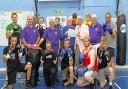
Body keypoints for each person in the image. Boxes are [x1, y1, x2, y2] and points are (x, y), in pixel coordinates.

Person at [1, 13, 23, 89]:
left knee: (19, 62)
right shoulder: (9, 26)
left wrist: (21, 46)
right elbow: (7, 36)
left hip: (18, 47)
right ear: (11, 18)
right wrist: (12, 31)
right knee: (9, 64)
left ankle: (19, 79)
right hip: (11, 48)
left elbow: (21, 38)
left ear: (17, 18)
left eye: (15, 17)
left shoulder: (20, 27)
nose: (14, 18)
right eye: (13, 17)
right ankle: (7, 81)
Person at [21, 15, 40, 86]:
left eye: (31, 19)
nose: (30, 20)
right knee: (28, 66)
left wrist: (36, 43)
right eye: (29, 19)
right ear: (27, 20)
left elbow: (38, 37)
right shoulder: (25, 29)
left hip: (35, 50)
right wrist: (27, 45)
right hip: (28, 51)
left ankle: (35, 79)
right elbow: (23, 39)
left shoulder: (35, 28)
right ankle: (28, 81)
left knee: (35, 66)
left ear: (32, 20)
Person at [35, 16, 46, 84]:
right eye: (40, 21)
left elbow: (45, 37)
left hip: (44, 48)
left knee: (46, 63)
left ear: (43, 21)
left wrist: (44, 29)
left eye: (42, 21)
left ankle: (47, 77)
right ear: (38, 22)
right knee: (37, 63)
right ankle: (36, 78)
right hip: (37, 48)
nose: (41, 22)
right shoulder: (35, 28)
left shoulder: (45, 28)